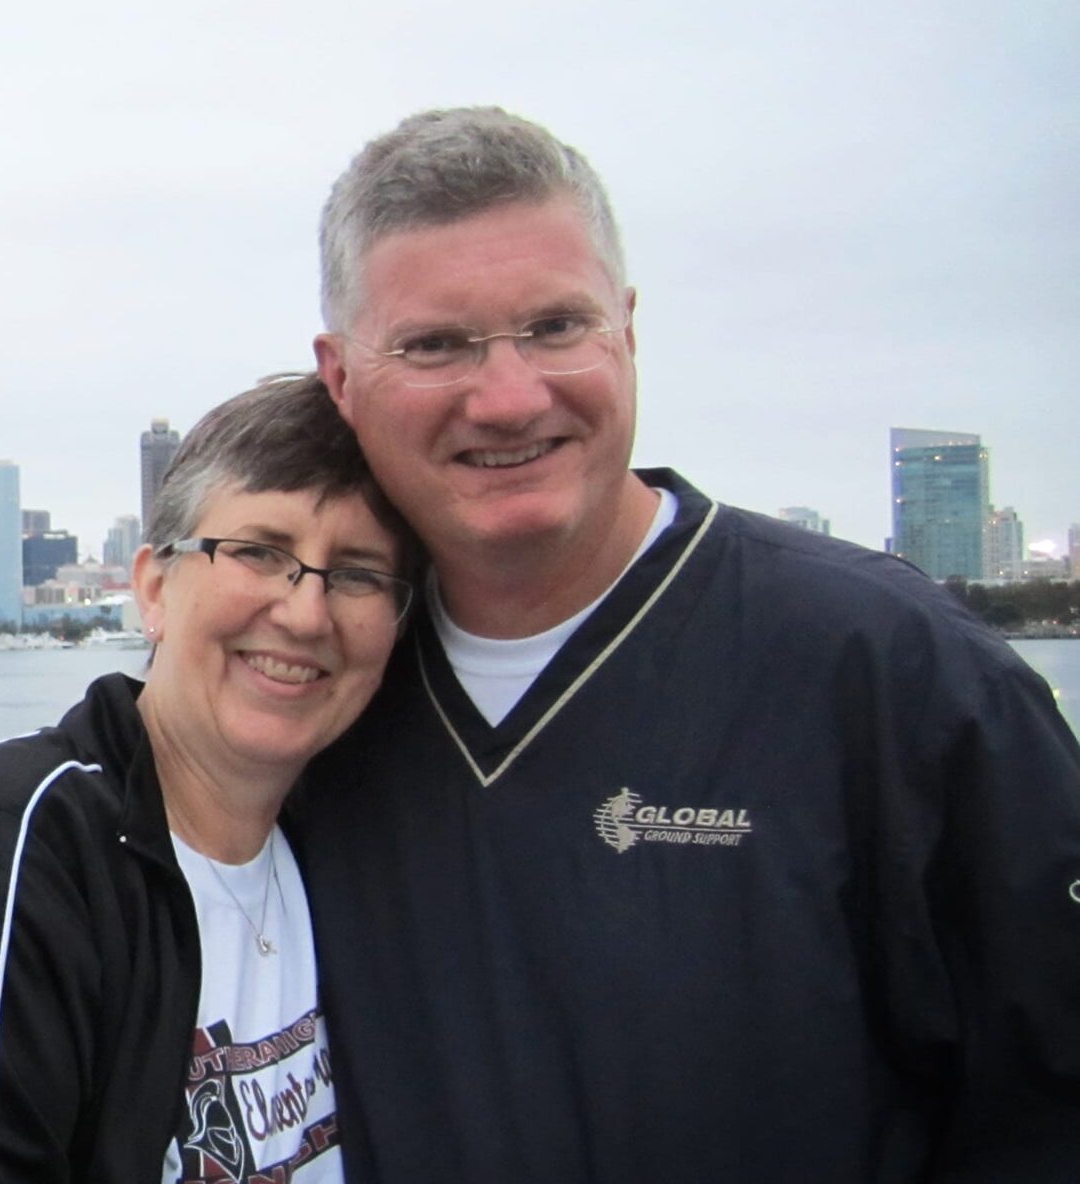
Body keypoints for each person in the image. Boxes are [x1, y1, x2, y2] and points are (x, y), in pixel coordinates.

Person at [293, 107, 1080, 1182]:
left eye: (557, 327)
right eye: (436, 345)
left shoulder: (896, 672)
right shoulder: (311, 701)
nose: (511, 394)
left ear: (626, 327)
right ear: (341, 378)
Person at [0, 372, 416, 1183]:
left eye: (357, 572)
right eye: (258, 551)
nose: (306, 612)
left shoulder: (357, 860)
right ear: (153, 587)